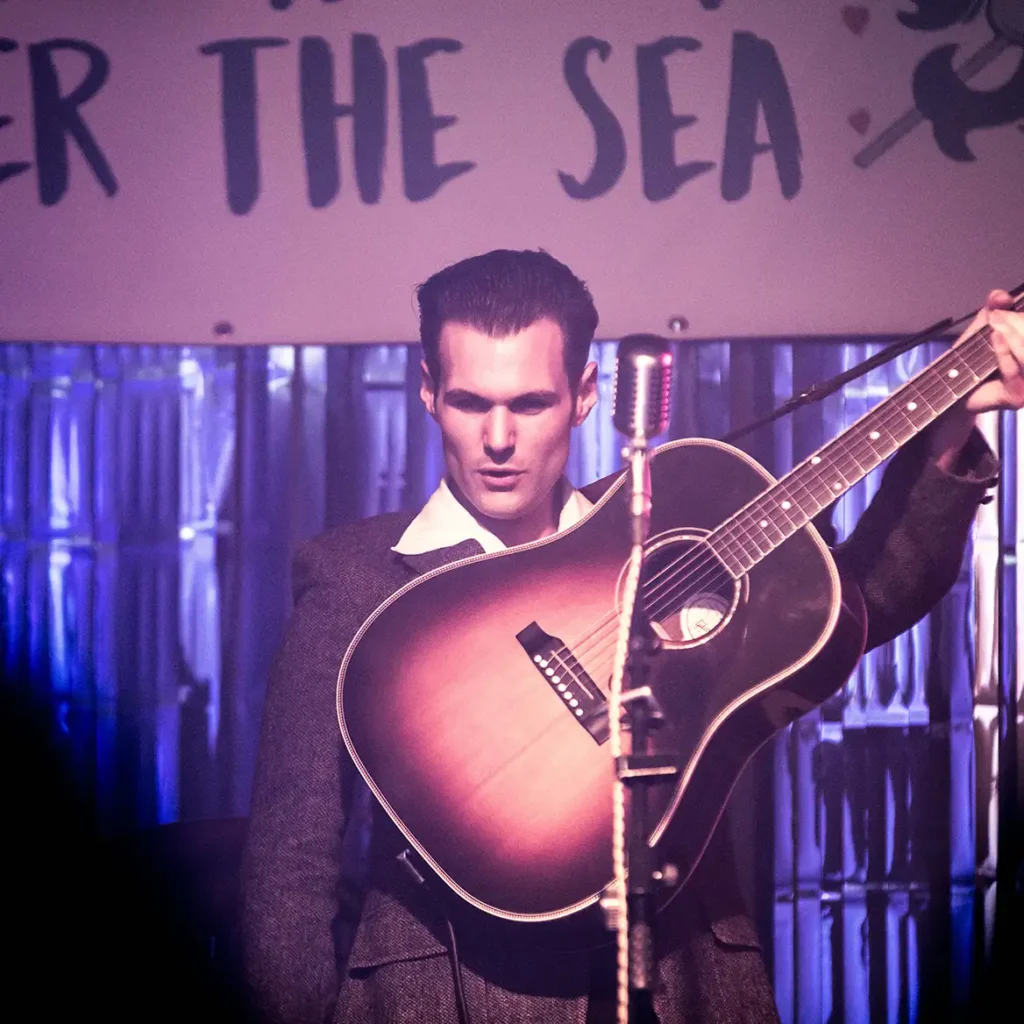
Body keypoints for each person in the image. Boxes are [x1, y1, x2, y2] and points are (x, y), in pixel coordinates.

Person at [240, 250, 1023, 1023]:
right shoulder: (354, 577)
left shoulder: (669, 519)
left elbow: (863, 603)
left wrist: (949, 426)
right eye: (471, 402)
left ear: (585, 395)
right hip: (439, 997)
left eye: (532, 402)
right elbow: (290, 858)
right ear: (427, 392)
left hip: (683, 985)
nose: (500, 438)